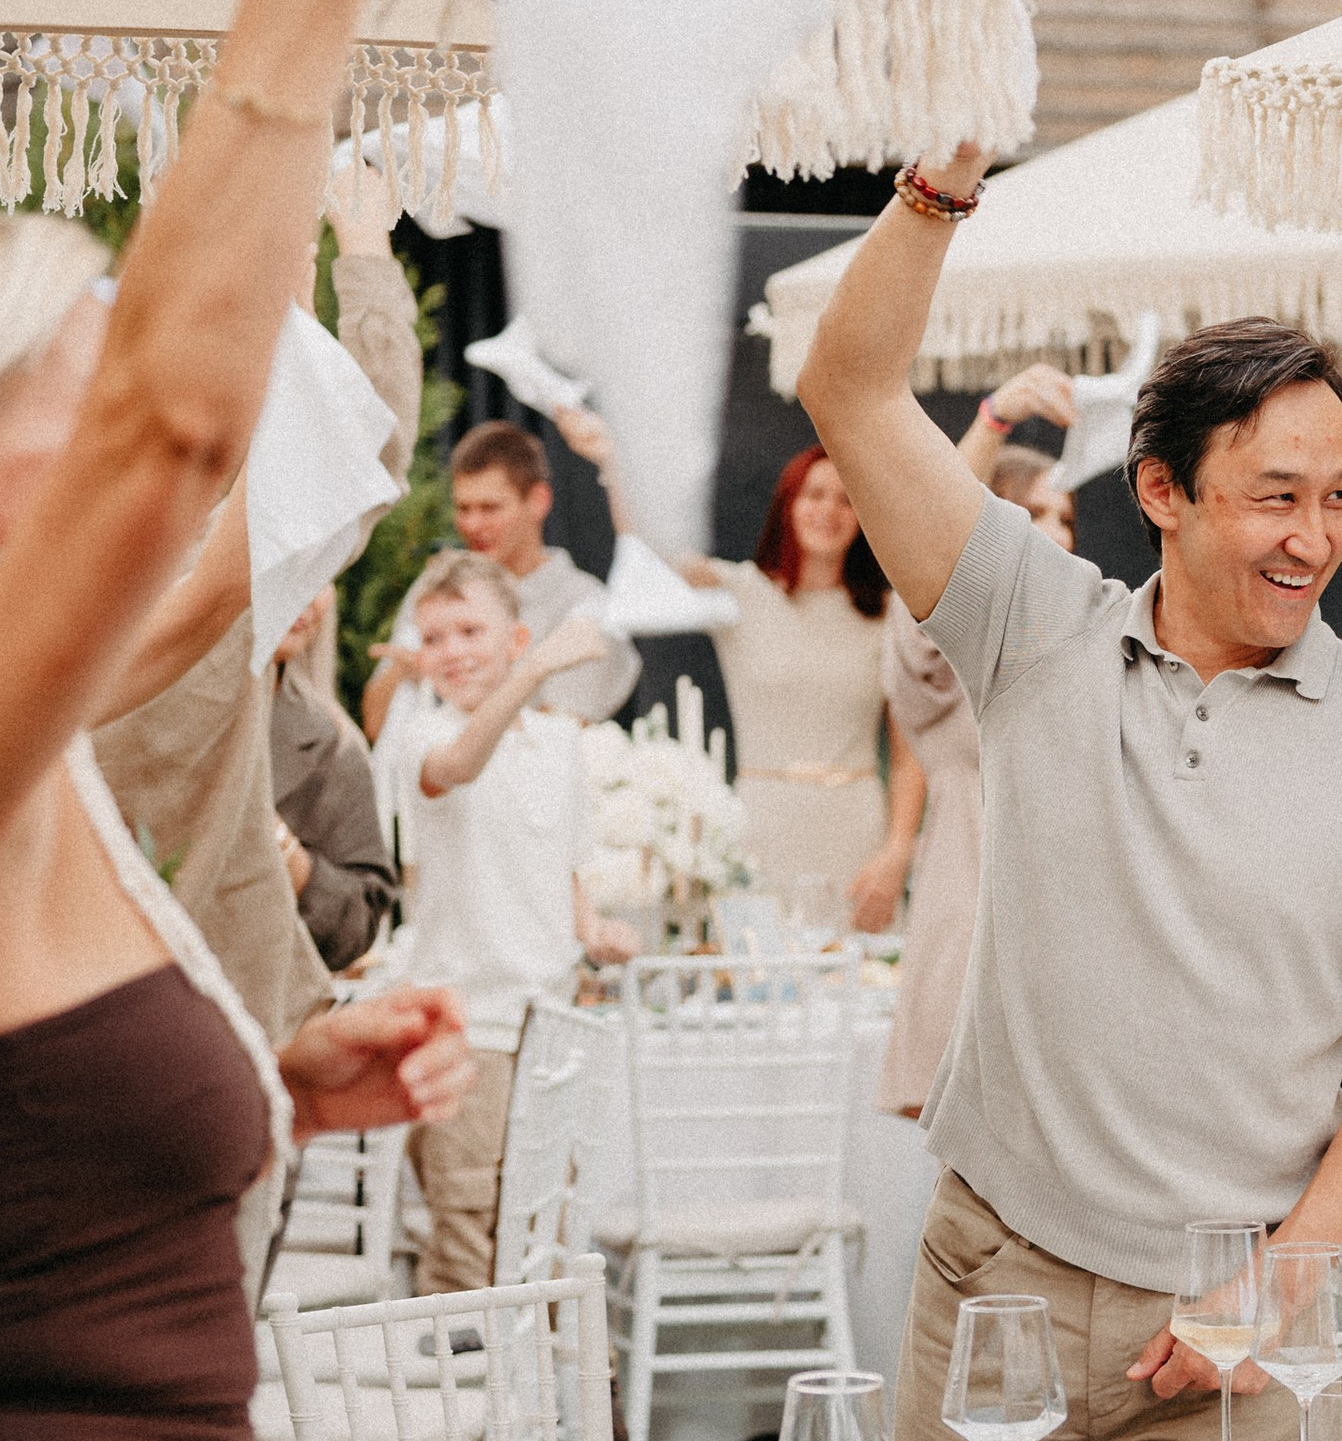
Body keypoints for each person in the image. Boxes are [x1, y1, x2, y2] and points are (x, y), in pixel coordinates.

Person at [0, 0, 477, 1441]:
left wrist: (278, 1070)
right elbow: (192, 423)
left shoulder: (29, 743)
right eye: (82, 401)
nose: (164, 456)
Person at [800, 160, 1342, 1441]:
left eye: (1338, 494)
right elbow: (849, 389)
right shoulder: (1029, 623)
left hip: (1236, 1327)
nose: (1317, 538)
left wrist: (1277, 1288)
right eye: (1275, 495)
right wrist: (940, 190)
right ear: (1163, 492)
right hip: (992, 1289)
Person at [90, 167, 425, 1046]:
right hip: (209, 1023)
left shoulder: (41, 595)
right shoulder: (173, 601)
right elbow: (352, 456)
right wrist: (353, 253)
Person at [379, 553, 637, 1292]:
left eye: (469, 630)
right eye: (434, 639)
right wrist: (538, 673)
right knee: (467, 1227)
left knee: (548, 1229)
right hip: (467, 1024)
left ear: (516, 639)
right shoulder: (421, 737)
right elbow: (459, 765)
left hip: (550, 1024)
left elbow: (565, 868)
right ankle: (463, 1401)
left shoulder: (557, 744)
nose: (452, 651)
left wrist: (594, 928)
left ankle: (557, 1401)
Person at [560, 415, 908, 926]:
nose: (828, 511)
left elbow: (909, 753)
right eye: (814, 494)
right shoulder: (741, 592)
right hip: (761, 823)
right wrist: (615, 464)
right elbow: (651, 552)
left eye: (846, 499)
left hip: (856, 827)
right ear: (787, 505)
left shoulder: (891, 615)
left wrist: (897, 850)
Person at [881, 365, 1082, 1117]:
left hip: (1061, 937)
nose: (1057, 535)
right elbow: (934, 531)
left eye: (1065, 518)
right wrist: (994, 419)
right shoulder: (944, 641)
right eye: (1034, 515)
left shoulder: (1072, 638)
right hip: (971, 919)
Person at [360, 418, 638, 740]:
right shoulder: (434, 588)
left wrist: (443, 677)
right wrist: (403, 673)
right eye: (463, 508)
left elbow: (557, 737)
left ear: (538, 501)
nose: (473, 524)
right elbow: (375, 726)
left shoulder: (586, 603)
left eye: (490, 508)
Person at [269, 585, 398, 970]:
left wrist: (282, 847)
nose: (306, 592)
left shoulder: (336, 747)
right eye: (290, 565)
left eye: (321, 572)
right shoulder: (142, 705)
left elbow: (358, 925)